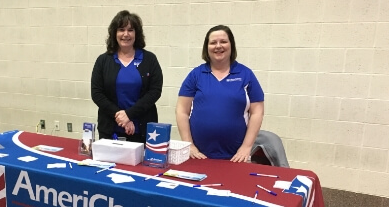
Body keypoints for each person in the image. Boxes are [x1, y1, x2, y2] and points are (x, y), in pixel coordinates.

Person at [175, 25, 264, 162]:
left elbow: (257, 111)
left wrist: (246, 147)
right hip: (198, 155)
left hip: (236, 156)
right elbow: (181, 110)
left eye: (223, 41)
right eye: (213, 42)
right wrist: (190, 146)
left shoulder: (246, 74)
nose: (218, 46)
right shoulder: (195, 75)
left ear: (231, 45)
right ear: (207, 47)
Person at [91, 10, 163, 143]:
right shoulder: (103, 60)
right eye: (121, 29)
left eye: (130, 30)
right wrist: (122, 118)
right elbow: (97, 94)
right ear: (114, 33)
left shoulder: (149, 59)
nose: (126, 34)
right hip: (110, 129)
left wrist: (129, 115)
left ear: (137, 34)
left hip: (142, 130)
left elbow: (155, 92)